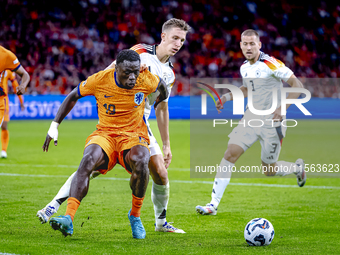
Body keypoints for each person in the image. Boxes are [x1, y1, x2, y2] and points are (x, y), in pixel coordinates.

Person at [37, 18, 190, 233]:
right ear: (163, 36)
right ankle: (53, 205)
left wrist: (167, 144)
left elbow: (161, 108)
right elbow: (111, 72)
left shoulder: (169, 73)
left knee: (161, 174)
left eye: (182, 40)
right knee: (91, 166)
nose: (178, 43)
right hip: (115, 120)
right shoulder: (140, 52)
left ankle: (161, 223)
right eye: (175, 38)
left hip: (139, 124)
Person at [43, 49, 168, 239]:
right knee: (87, 160)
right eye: (128, 72)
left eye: (136, 71)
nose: (133, 77)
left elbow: (162, 85)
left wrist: (160, 100)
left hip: (133, 135)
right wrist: (54, 125)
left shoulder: (145, 78)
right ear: (116, 68)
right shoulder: (100, 79)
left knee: (142, 160)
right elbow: (73, 96)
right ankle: (68, 218)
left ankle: (135, 216)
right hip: (106, 134)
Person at [196, 29, 307, 216]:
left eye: (252, 44)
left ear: (259, 45)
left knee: (269, 170)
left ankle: (297, 168)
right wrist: (227, 96)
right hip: (251, 118)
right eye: (245, 44)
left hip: (273, 122)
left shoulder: (271, 64)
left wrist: (283, 108)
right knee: (230, 154)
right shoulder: (244, 67)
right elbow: (248, 89)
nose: (248, 47)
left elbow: (298, 86)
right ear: (240, 45)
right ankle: (212, 205)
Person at [0, 45, 30, 129]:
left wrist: (23, 86)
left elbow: (25, 74)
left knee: (4, 126)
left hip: (1, 100)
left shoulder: (6, 55)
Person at [0, 70, 25, 158]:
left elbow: (15, 86)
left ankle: (3, 150)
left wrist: (21, 101)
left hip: (3, 101)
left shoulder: (7, 71)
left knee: (4, 125)